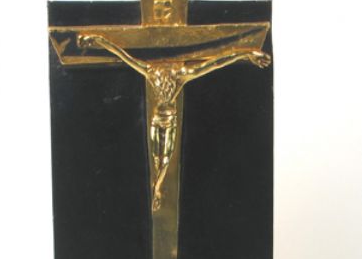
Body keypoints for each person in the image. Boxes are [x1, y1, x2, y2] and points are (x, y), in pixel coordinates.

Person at [79, 34, 271, 212]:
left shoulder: (178, 73)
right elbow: (122, 55)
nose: (163, 81)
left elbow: (216, 63)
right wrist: (97, 39)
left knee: (165, 157)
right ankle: (157, 188)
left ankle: (157, 188)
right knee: (157, 157)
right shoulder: (152, 71)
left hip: (169, 120)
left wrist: (247, 53)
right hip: (157, 120)